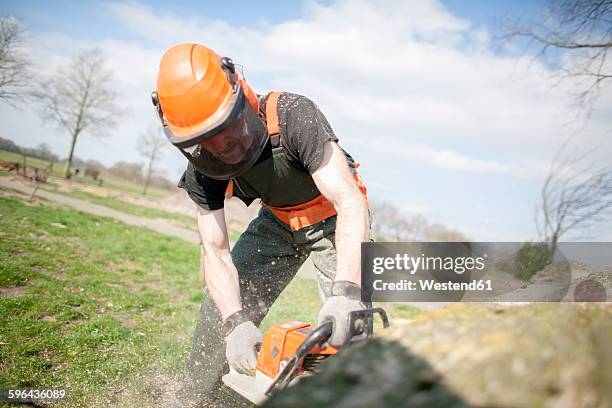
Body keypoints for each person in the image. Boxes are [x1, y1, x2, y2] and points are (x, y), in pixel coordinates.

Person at [152, 43, 370, 407]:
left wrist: (347, 292)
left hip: (332, 218)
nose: (224, 145)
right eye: (207, 139)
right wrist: (235, 322)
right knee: (217, 316)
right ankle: (193, 400)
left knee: (348, 329)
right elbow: (215, 250)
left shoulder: (293, 114)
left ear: (240, 87)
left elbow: (349, 200)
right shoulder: (204, 163)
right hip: (276, 221)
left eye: (228, 126)